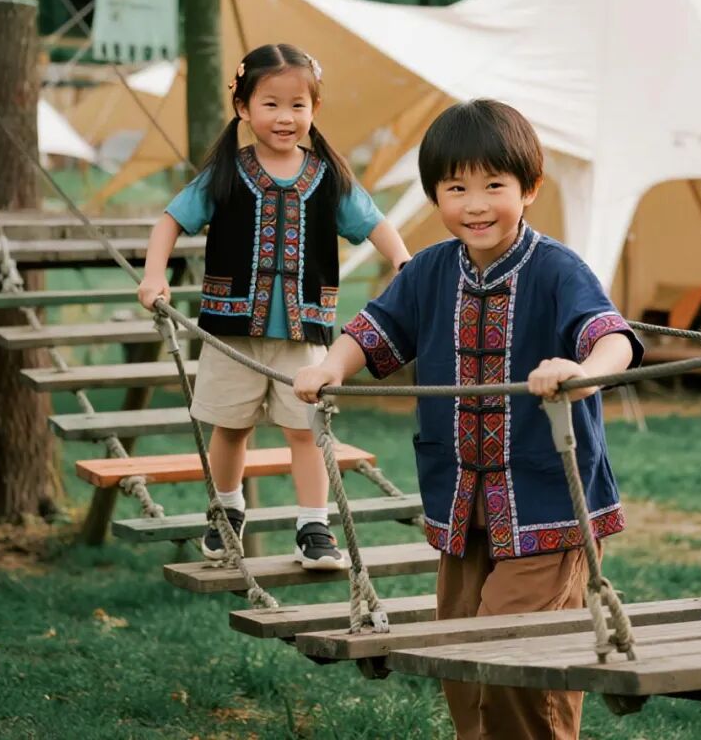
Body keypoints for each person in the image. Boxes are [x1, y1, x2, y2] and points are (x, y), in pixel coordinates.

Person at [294, 99, 642, 738]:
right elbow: (373, 332)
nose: (475, 204)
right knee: (457, 653)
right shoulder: (427, 270)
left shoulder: (558, 268)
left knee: (511, 651)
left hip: (546, 502)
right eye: (457, 188)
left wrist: (581, 368)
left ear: (529, 189)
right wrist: (330, 367)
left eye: (494, 186)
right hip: (460, 503)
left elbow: (613, 336)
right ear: (435, 195)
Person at [138, 43, 410, 568]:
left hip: (303, 335)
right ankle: (226, 512)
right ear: (243, 107)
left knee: (305, 430)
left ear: (314, 110)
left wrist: (403, 262)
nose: (285, 117)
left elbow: (375, 222)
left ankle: (314, 526)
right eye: (271, 104)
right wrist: (154, 276)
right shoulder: (224, 173)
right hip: (231, 329)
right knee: (230, 426)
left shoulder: (328, 178)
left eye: (297, 106)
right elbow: (170, 220)